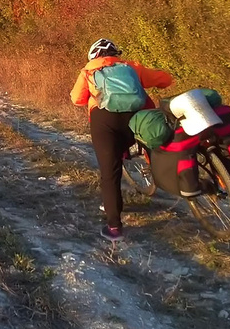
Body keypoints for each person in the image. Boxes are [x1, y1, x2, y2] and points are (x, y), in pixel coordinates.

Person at [70, 38, 174, 242]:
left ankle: (115, 227)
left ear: (94, 56)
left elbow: (76, 99)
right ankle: (166, 174)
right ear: (115, 53)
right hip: (136, 116)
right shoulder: (131, 67)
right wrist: (164, 80)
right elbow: (164, 80)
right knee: (154, 139)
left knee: (110, 173)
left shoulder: (89, 71)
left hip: (105, 120)